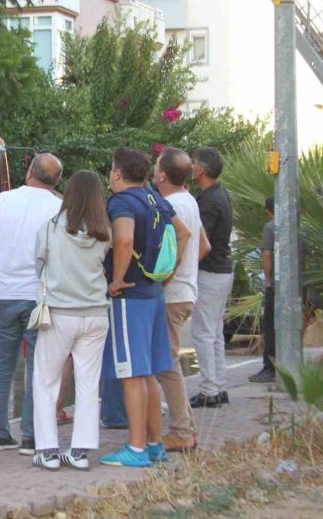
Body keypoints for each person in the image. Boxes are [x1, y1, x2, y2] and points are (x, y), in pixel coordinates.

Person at [98, 147, 190, 468]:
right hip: (153, 292)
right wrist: (167, 274)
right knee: (148, 372)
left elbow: (123, 240)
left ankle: (135, 449)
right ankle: (154, 444)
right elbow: (183, 232)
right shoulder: (155, 198)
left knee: (132, 374)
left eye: (112, 168)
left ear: (118, 173)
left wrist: (116, 280)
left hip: (130, 297)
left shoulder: (121, 201)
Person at [31, 171, 112, 471]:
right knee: (89, 383)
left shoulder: (50, 229)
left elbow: (38, 264)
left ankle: (48, 450)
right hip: (95, 314)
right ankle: (79, 451)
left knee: (46, 380)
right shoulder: (105, 231)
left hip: (59, 314)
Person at [0, 153, 63, 455]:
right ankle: (31, 436)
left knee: (2, 365)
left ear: (29, 170)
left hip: (2, 293)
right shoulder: (58, 207)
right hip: (38, 297)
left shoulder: (2, 201)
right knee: (37, 367)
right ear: (56, 181)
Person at [153, 147, 211, 452]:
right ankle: (186, 426)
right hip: (186, 291)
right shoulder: (190, 201)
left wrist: (166, 278)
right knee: (168, 360)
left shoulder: (166, 204)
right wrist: (187, 272)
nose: (153, 169)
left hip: (171, 294)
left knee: (167, 364)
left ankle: (181, 431)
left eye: (156, 165)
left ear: (163, 174)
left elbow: (186, 239)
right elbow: (204, 245)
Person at [189, 147, 235, 408]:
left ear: (200, 169)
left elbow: (201, 241)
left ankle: (209, 390)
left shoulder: (208, 201)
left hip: (210, 271)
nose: (192, 165)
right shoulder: (222, 194)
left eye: (194, 162)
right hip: (222, 270)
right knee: (214, 331)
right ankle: (219, 385)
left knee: (204, 333)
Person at [249, 196, 277, 383]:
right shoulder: (301, 226)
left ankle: (270, 367)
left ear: (269, 211)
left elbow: (267, 254)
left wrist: (267, 279)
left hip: (277, 284)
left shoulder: (271, 227)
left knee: (270, 325)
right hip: (298, 284)